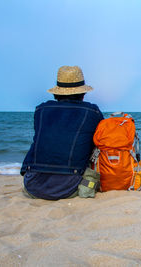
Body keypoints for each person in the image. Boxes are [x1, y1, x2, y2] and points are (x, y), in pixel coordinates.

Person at [21, 66, 104, 200]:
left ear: (57, 93)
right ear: (83, 93)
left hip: (32, 185)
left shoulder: (41, 110)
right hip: (68, 188)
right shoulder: (92, 111)